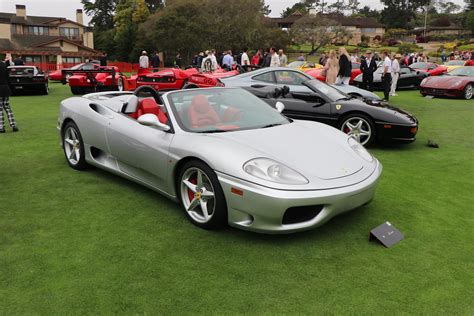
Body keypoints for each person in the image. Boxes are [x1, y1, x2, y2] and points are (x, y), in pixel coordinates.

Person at [0, 59, 18, 133]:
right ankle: (13, 125)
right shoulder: (4, 65)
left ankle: (1, 127)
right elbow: (8, 78)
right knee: (7, 108)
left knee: (0, 109)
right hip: (6, 88)